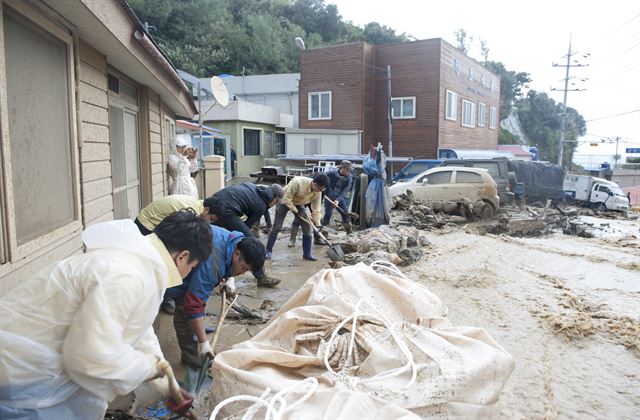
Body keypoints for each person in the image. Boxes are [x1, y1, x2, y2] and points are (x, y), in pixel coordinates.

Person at [0, 210, 212, 418]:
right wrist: (148, 370)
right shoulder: (126, 276)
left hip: (31, 367)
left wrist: (166, 386)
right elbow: (91, 357)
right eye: (192, 266)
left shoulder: (138, 267)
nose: (188, 273)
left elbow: (139, 333)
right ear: (183, 257)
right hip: (18, 372)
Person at [165, 226, 266, 368]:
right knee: (186, 311)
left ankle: (196, 339)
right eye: (243, 268)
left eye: (247, 271)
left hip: (183, 258)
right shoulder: (213, 264)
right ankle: (191, 358)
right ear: (237, 253)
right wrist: (204, 344)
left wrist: (229, 278)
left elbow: (226, 263)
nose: (243, 273)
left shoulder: (234, 240)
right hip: (167, 267)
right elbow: (194, 305)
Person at [134, 194, 222, 314]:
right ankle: (162, 297)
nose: (210, 223)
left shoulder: (198, 206)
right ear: (206, 209)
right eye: (210, 219)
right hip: (147, 223)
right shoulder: (192, 213)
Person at [211, 183, 284, 287]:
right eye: (276, 202)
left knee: (213, 236)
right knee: (253, 244)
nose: (274, 205)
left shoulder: (255, 189)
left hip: (215, 202)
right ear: (273, 198)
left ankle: (216, 272)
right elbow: (247, 227)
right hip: (227, 209)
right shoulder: (261, 204)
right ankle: (261, 277)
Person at [265, 173, 329, 261]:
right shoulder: (297, 182)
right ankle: (268, 251)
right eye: (319, 189)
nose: (320, 191)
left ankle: (307, 254)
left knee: (307, 228)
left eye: (322, 189)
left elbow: (316, 209)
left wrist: (318, 225)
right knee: (277, 227)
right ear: (314, 184)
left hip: (299, 204)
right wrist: (295, 211)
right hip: (284, 201)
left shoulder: (318, 192)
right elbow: (287, 198)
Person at [322, 160, 354, 234]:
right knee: (328, 215)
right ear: (342, 168)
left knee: (345, 214)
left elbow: (345, 190)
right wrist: (327, 194)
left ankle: (349, 233)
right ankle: (322, 233)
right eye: (348, 170)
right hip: (329, 197)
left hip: (340, 197)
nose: (349, 172)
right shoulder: (330, 173)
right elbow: (324, 183)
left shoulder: (349, 177)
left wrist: (337, 200)